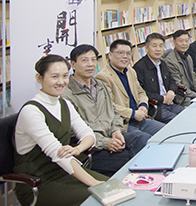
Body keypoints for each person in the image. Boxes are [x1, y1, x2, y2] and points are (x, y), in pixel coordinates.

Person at [14, 55, 107, 206]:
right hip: (38, 183)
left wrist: (77, 149)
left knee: (118, 187)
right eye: (54, 77)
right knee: (102, 197)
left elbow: (89, 135)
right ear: (39, 78)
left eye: (64, 76)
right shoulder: (31, 111)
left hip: (66, 172)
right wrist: (93, 183)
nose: (61, 82)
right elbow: (58, 155)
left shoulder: (64, 104)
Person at [64, 45, 148, 177]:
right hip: (92, 148)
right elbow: (74, 132)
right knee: (136, 158)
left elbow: (114, 112)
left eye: (93, 60)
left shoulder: (99, 86)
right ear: (73, 64)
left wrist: (116, 131)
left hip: (111, 136)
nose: (90, 64)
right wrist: (105, 143)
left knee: (143, 139)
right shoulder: (67, 94)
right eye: (84, 60)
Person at [96, 40, 165, 137]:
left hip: (141, 119)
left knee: (167, 131)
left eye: (128, 53)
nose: (125, 56)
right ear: (110, 55)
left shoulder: (130, 71)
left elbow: (141, 92)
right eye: (120, 53)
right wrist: (133, 114)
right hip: (123, 124)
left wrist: (143, 105)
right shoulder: (103, 77)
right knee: (146, 139)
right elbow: (109, 106)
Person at [133, 33, 185, 123]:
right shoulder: (139, 67)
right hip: (156, 107)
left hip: (170, 103)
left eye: (161, 46)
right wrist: (161, 98)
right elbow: (141, 92)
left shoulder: (162, 63)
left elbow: (172, 81)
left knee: (188, 115)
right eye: (154, 46)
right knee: (179, 121)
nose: (158, 49)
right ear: (146, 48)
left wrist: (171, 91)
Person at [163, 30, 196, 106]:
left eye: (186, 41)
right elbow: (178, 85)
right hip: (183, 97)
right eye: (181, 41)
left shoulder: (188, 57)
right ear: (174, 42)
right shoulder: (170, 61)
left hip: (192, 92)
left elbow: (193, 76)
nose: (184, 44)